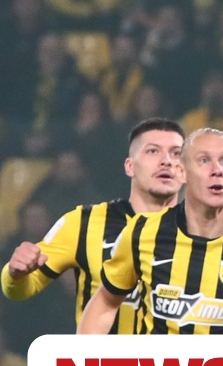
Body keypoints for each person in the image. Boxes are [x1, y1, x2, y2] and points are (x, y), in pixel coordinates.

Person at [78, 128, 223, 335]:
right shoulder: (143, 233)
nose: (217, 170)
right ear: (181, 172)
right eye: (204, 160)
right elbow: (106, 302)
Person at [2, 118, 185, 334]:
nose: (166, 161)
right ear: (130, 166)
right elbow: (21, 290)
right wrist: (14, 274)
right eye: (153, 151)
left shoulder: (212, 234)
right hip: (102, 356)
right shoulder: (83, 223)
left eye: (176, 153)